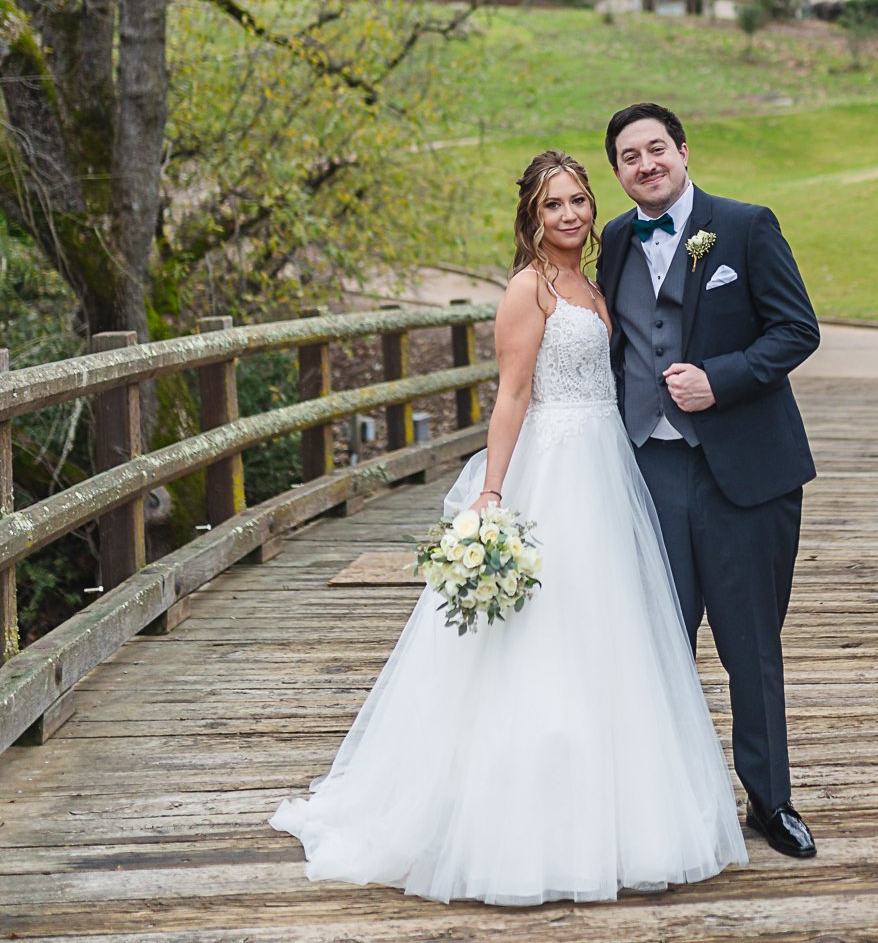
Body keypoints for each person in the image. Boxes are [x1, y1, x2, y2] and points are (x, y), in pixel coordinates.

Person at [269, 150, 747, 905]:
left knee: (610, 630)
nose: (570, 215)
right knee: (542, 634)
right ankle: (527, 822)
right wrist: (491, 491)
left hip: (607, 463)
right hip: (553, 468)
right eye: (554, 205)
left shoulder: (592, 282)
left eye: (580, 201)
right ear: (532, 216)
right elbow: (511, 395)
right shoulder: (528, 289)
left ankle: (620, 809)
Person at [597, 103, 821, 859]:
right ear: (618, 173)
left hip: (745, 473)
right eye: (629, 157)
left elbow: (797, 330)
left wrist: (718, 382)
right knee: (659, 641)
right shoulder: (615, 240)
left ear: (683, 152)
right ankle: (673, 800)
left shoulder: (747, 226)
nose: (646, 164)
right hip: (649, 469)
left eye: (656, 148)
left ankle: (770, 801)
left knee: (750, 643)